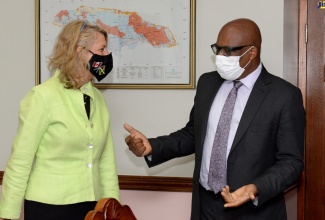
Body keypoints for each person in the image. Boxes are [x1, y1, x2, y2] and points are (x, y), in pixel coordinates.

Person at [124, 18, 305, 220]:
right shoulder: (208, 83)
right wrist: (153, 147)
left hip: (254, 211)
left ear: (252, 52)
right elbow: (193, 134)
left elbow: (291, 162)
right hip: (205, 206)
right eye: (217, 49)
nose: (219, 56)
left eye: (227, 51)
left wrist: (255, 188)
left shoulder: (284, 96)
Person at [0, 20, 119, 220]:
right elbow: (20, 160)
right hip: (49, 207)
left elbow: (106, 161)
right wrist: (7, 215)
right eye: (102, 48)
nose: (107, 55)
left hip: (93, 206)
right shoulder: (42, 96)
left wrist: (114, 209)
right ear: (80, 51)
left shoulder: (98, 99)